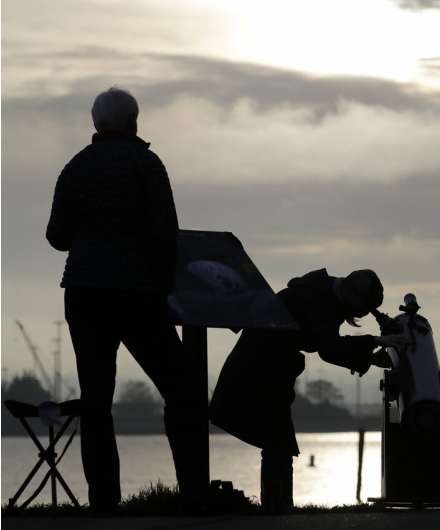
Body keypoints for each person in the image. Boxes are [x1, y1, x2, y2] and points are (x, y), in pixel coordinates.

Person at [46, 87, 208, 511]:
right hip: (137, 295)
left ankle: (104, 502)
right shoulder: (147, 164)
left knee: (96, 401)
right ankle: (192, 494)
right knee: (183, 389)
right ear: (135, 121)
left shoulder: (75, 167)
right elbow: (166, 233)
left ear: (95, 123)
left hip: (83, 294)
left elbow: (56, 237)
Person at [209, 268, 404, 513]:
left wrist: (369, 358)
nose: (355, 316)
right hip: (260, 370)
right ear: (349, 294)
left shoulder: (322, 293)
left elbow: (327, 344)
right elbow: (329, 348)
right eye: (359, 309)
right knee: (278, 442)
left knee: (277, 442)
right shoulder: (321, 301)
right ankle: (277, 509)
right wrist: (374, 342)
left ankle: (277, 507)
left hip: (266, 368)